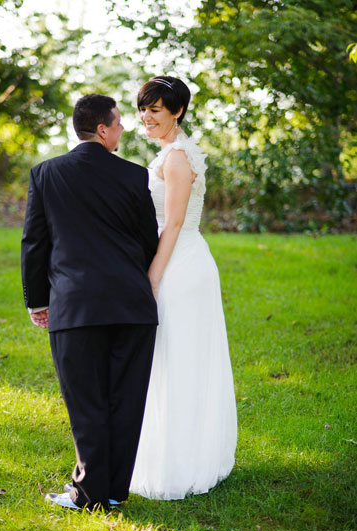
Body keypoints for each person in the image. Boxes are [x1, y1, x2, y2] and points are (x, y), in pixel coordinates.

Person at [21, 94, 159, 511]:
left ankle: (89, 493)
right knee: (126, 399)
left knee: (87, 404)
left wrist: (36, 302)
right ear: (102, 129)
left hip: (75, 306)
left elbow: (34, 245)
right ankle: (113, 491)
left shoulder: (46, 174)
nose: (122, 130)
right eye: (118, 124)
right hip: (132, 307)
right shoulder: (135, 177)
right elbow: (147, 243)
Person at [128, 76, 237, 500]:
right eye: (143, 108)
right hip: (183, 257)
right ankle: (179, 450)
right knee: (174, 358)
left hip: (179, 264)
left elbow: (172, 224)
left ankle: (181, 459)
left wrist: (153, 277)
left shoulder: (176, 158)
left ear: (177, 112)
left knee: (176, 357)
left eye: (155, 110)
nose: (146, 117)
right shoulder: (177, 152)